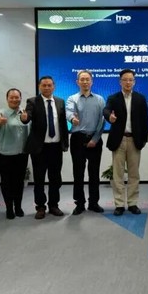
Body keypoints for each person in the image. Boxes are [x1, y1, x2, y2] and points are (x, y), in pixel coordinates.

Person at [21, 76, 69, 219]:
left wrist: (65, 143)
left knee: (55, 178)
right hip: (39, 148)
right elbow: (27, 117)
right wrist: (24, 118)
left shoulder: (60, 102)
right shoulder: (32, 101)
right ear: (39, 87)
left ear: (54, 86)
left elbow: (63, 124)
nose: (47, 88)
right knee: (39, 179)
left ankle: (54, 205)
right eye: (44, 85)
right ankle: (40, 206)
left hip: (56, 147)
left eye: (49, 85)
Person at [103, 69, 148, 216]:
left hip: (135, 140)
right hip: (119, 140)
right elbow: (106, 110)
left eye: (130, 80)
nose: (128, 82)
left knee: (134, 174)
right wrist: (109, 117)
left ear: (134, 82)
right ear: (120, 81)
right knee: (118, 174)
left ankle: (132, 203)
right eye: (125, 80)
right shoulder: (113, 98)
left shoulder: (140, 98)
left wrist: (143, 140)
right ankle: (119, 204)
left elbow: (145, 120)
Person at [66, 70, 106, 216]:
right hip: (78, 139)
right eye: (82, 79)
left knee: (94, 173)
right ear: (77, 82)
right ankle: (79, 203)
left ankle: (94, 203)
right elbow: (69, 112)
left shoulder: (100, 99)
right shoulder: (72, 98)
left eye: (87, 79)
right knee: (78, 173)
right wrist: (72, 119)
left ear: (92, 81)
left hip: (95, 139)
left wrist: (95, 139)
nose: (85, 82)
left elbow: (102, 121)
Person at [0, 88, 30, 219]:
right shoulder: (1, 112)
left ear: (20, 98)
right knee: (7, 182)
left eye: (17, 97)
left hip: (22, 153)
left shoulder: (25, 112)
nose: (15, 99)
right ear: (7, 99)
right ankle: (9, 208)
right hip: (5, 153)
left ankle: (18, 206)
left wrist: (26, 119)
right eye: (12, 97)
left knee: (19, 182)